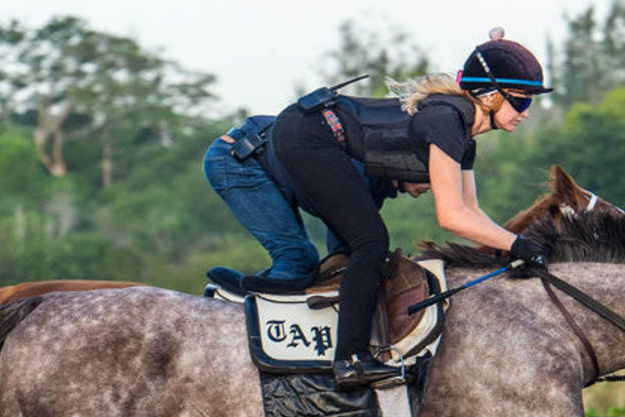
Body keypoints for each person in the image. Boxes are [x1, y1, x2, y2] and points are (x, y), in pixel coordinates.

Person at [215, 27, 552, 386]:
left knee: (354, 250)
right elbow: (451, 215)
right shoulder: (447, 121)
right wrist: (519, 245)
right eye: (521, 102)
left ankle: (307, 320)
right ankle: (350, 360)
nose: (526, 113)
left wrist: (513, 248)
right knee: (371, 242)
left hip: (313, 132)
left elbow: (472, 211)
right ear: (490, 97)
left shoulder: (465, 138)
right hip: (307, 134)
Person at [203, 117, 430, 294]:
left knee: (311, 263)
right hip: (237, 160)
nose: (432, 185)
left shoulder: (375, 181)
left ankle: (259, 285)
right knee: (296, 258)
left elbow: (345, 248)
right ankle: (252, 310)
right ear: (404, 164)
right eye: (429, 174)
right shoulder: (359, 173)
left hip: (262, 158)